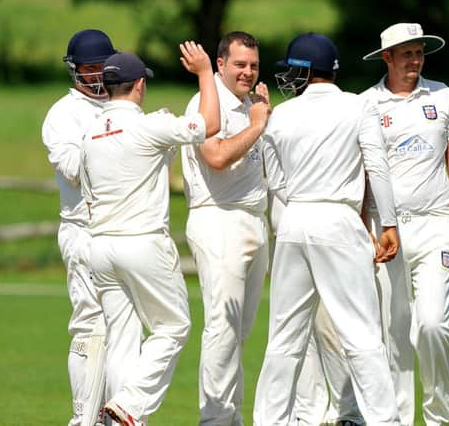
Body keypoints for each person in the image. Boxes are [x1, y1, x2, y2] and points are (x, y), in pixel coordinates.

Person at [254, 32, 401, 426]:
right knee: (362, 334)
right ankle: (385, 421)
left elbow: (275, 181)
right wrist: (387, 223)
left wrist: (304, 199)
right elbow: (378, 167)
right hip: (339, 219)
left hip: (295, 218)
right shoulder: (359, 106)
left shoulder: (281, 115)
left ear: (305, 72)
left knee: (284, 335)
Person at [79, 45, 220, 426]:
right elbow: (209, 125)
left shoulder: (89, 133)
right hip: (141, 241)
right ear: (139, 84)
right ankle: (130, 405)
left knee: (123, 337)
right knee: (173, 326)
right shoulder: (147, 125)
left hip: (100, 245)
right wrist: (206, 73)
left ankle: (123, 418)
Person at [360, 23, 449, 425]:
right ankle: (395, 418)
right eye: (407, 53)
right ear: (387, 58)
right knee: (393, 331)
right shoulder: (367, 104)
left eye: (419, 52)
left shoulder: (442, 95)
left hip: (437, 223)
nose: (415, 60)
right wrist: (363, 226)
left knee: (431, 324)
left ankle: (441, 416)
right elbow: (361, 171)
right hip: (386, 228)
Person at [180, 31, 271, 425]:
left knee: (240, 330)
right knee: (222, 325)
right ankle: (214, 419)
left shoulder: (251, 103)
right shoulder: (206, 101)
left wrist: (260, 117)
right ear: (220, 64)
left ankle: (230, 415)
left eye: (252, 65)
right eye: (239, 64)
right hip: (217, 217)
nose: (247, 72)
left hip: (253, 218)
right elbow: (215, 156)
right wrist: (258, 125)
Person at [41, 28, 117, 426]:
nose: (99, 75)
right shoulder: (62, 114)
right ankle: (81, 419)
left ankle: (115, 416)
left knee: (122, 330)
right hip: (83, 230)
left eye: (104, 66)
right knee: (90, 324)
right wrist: (117, 142)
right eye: (91, 68)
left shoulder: (120, 104)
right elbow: (72, 170)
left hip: (122, 231)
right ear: (75, 71)